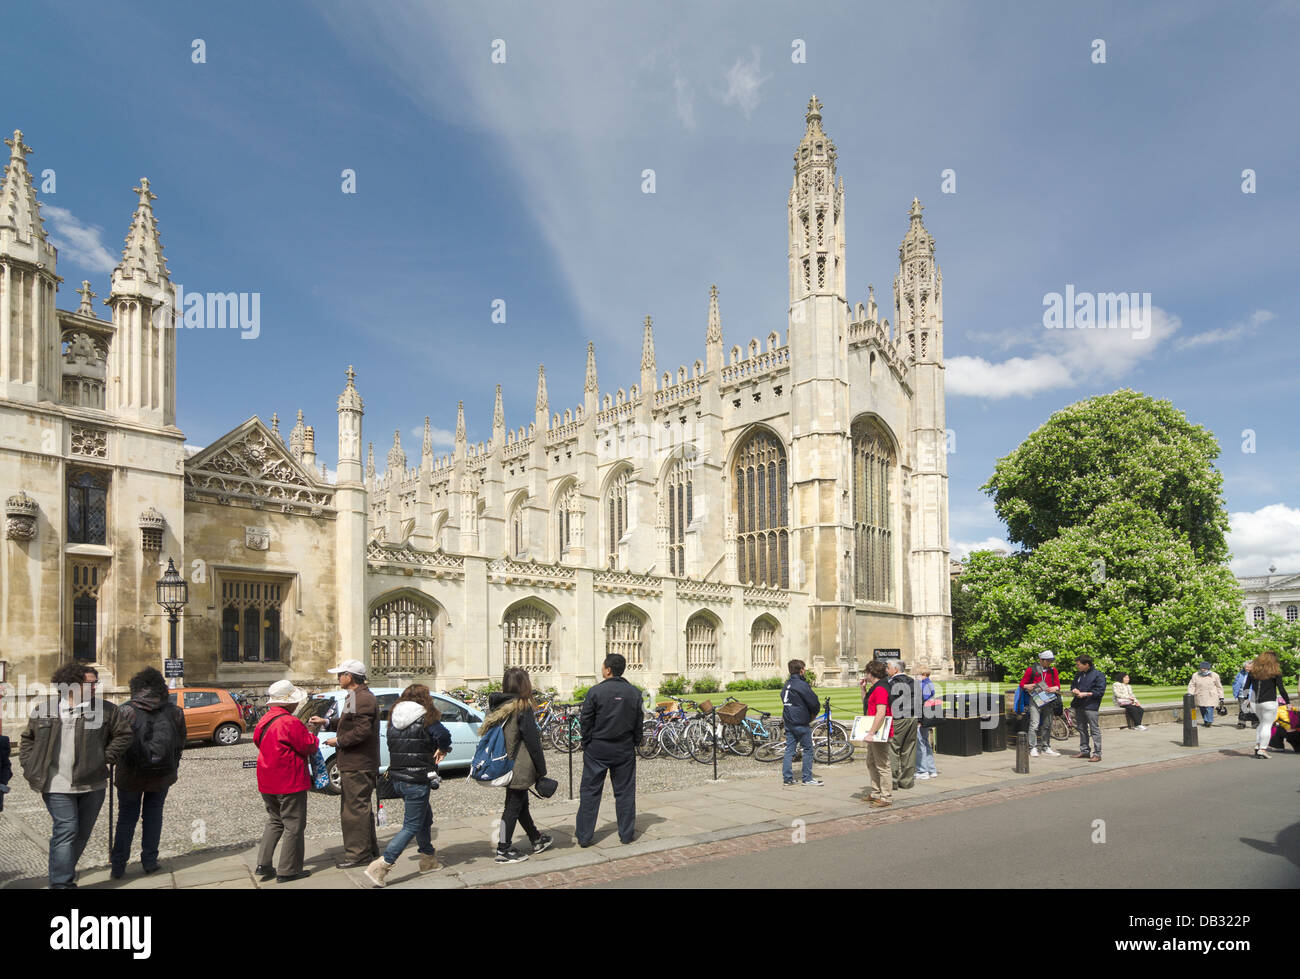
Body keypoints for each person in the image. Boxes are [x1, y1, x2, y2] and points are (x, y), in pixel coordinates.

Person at [19, 661, 132, 888]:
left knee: (81, 834)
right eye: (89, 683)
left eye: (95, 683)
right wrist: (29, 765)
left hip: (93, 784)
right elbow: (27, 740)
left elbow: (124, 735)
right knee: (66, 829)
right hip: (55, 784)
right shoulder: (44, 710)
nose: (94, 687)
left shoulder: (107, 710)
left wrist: (104, 758)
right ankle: (61, 883)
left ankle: (63, 873)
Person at [365, 684, 452, 885]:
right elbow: (444, 735)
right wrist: (443, 748)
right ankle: (381, 866)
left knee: (424, 817)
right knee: (411, 825)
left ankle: (428, 858)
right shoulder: (426, 718)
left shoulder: (393, 719)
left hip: (398, 778)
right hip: (417, 780)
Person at [110, 667, 186, 878]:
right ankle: (150, 861)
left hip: (129, 776)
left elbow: (114, 744)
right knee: (153, 816)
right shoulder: (175, 711)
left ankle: (118, 866)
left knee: (126, 818)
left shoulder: (124, 711)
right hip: (162, 775)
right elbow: (180, 745)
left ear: (136, 688)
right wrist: (173, 768)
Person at [307, 658, 379, 868]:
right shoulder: (354, 696)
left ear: (350, 677)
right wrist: (327, 722)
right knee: (360, 807)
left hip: (358, 763)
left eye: (341, 674)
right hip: (355, 762)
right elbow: (350, 722)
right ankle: (369, 849)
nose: (338, 677)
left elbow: (362, 731)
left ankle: (358, 855)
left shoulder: (363, 698)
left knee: (354, 810)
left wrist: (338, 741)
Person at [478, 668, 555, 863]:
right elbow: (532, 742)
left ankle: (536, 839)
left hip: (505, 761)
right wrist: (541, 770)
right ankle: (503, 849)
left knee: (520, 805)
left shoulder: (500, 705)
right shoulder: (521, 706)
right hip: (519, 765)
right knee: (512, 807)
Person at [253, 680, 318, 882]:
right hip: (289, 781)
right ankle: (288, 870)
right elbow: (308, 746)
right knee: (294, 825)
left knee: (274, 821)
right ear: (288, 703)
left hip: (267, 779)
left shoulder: (265, 719)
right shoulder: (290, 722)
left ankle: (263, 863)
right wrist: (313, 732)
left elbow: (257, 740)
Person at [576, 653, 643, 847]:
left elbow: (586, 721)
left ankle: (584, 836)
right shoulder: (634, 693)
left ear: (608, 670)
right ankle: (626, 834)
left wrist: (587, 741)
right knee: (625, 792)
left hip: (598, 748)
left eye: (603, 666)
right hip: (624, 748)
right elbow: (639, 723)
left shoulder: (595, 692)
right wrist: (636, 742)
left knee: (590, 792)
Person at [780, 659, 823, 786]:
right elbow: (814, 702)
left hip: (789, 721)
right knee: (808, 749)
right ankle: (807, 778)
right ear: (801, 670)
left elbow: (783, 697)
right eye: (804, 669)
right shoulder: (801, 684)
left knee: (789, 750)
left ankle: (787, 778)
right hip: (800, 722)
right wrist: (812, 715)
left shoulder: (787, 684)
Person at [1243, 650, 1290, 760]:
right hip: (1269, 701)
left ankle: (1258, 745)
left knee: (1261, 724)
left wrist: (1246, 700)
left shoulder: (1253, 671)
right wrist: (1287, 701)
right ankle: (1262, 749)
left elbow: (1246, 687)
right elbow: (1281, 689)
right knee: (1267, 726)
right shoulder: (1275, 672)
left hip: (1255, 702)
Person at [859, 660, 893, 808]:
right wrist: (863, 690)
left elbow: (881, 712)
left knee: (882, 764)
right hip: (873, 730)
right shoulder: (875, 687)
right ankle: (876, 792)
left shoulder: (880, 689)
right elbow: (867, 706)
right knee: (871, 762)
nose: (865, 675)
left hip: (878, 731)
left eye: (866, 672)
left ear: (871, 673)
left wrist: (871, 732)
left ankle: (886, 797)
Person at [1019, 651, 1062, 757]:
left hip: (1049, 700)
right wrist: (1028, 686)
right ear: (1041, 660)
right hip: (1035, 700)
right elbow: (1022, 684)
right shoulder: (1031, 670)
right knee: (1034, 724)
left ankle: (1045, 746)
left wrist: (1054, 688)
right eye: (1048, 661)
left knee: (1047, 724)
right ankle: (1032, 747)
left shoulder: (1053, 671)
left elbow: (1058, 685)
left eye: (1051, 661)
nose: (1050, 663)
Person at [885, 659, 917, 789]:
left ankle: (892, 781)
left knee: (892, 749)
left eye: (888, 667)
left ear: (895, 670)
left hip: (898, 719)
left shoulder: (892, 683)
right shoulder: (912, 681)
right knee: (909, 750)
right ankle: (907, 781)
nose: (886, 670)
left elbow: (889, 701)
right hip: (912, 718)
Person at [1069, 655, 1105, 761]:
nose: (1077, 666)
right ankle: (1085, 751)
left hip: (1091, 706)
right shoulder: (1079, 674)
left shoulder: (1098, 675)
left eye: (1078, 664)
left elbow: (1099, 691)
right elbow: (1073, 686)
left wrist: (1085, 694)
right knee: (1081, 729)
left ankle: (1097, 754)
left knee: (1094, 730)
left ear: (1087, 664)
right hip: (1079, 705)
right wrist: (1074, 690)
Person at [915, 668, 939, 779]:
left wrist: (919, 720)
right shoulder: (929, 683)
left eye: (918, 674)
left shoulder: (924, 685)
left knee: (920, 744)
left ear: (924, 674)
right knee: (926, 743)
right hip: (928, 716)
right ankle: (931, 769)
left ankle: (922, 771)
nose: (916, 676)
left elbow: (921, 702)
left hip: (923, 717)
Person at [1187, 661, 1223, 727]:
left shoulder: (1215, 675)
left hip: (1211, 695)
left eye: (1204, 668)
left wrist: (1221, 696)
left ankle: (1209, 721)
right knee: (1202, 708)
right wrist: (1190, 694)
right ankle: (1206, 721)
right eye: (1201, 668)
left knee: (1209, 709)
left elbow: (1219, 686)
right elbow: (1192, 685)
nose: (1203, 669)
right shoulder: (1195, 675)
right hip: (1200, 695)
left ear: (1208, 668)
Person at [1232, 660, 1255, 729]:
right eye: (1246, 667)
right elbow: (1236, 682)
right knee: (1242, 709)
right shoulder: (1240, 674)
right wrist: (1235, 690)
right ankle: (1241, 722)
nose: (1247, 668)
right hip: (1242, 694)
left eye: (1248, 667)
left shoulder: (1256, 674)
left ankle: (1255, 723)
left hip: (1252, 694)